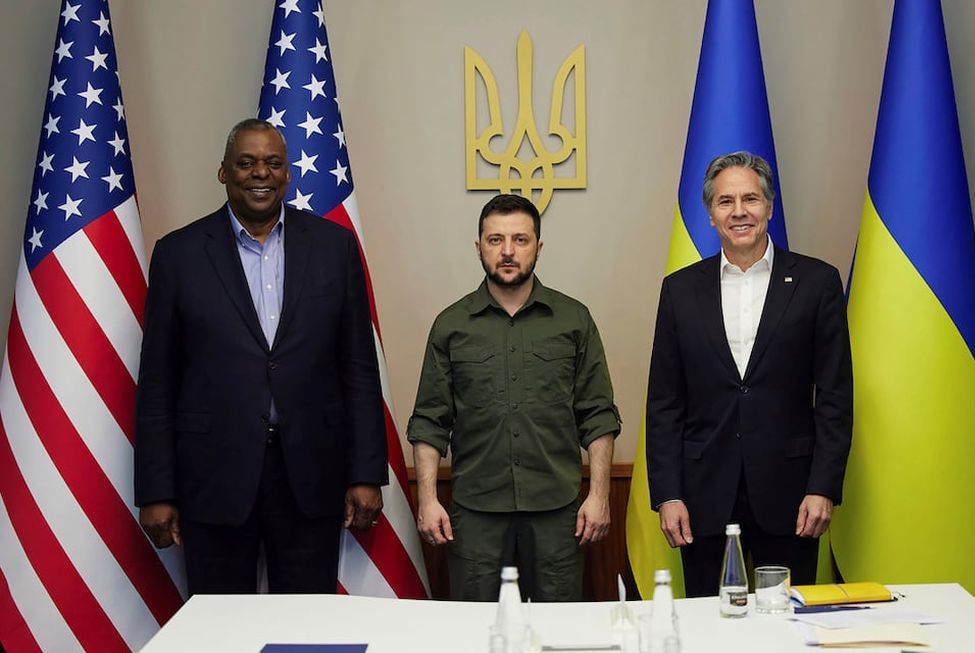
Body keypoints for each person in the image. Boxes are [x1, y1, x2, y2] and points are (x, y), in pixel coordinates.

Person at [134, 118, 387, 594]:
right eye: (246, 163)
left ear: (288, 173)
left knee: (307, 628)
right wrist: (156, 489)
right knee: (221, 628)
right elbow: (157, 382)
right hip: (214, 476)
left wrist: (366, 473)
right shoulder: (179, 255)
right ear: (223, 172)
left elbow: (358, 367)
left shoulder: (334, 248)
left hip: (311, 475)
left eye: (272, 163)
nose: (260, 174)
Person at [645, 151, 852, 597]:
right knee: (707, 627)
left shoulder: (817, 283)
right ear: (711, 214)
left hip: (793, 496)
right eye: (725, 202)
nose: (739, 211)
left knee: (786, 626)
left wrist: (823, 487)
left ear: (769, 207)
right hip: (701, 499)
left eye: (750, 199)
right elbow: (665, 402)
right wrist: (668, 494)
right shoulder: (679, 290)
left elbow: (835, 396)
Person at [408, 194, 621, 601]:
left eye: (520, 240)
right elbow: (430, 422)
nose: (507, 251)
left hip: (558, 513)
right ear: (479, 247)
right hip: (475, 515)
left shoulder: (573, 319)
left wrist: (598, 496)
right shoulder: (451, 325)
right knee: (474, 635)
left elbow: (598, 415)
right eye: (495, 240)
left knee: (559, 635)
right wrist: (428, 499)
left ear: (538, 247)